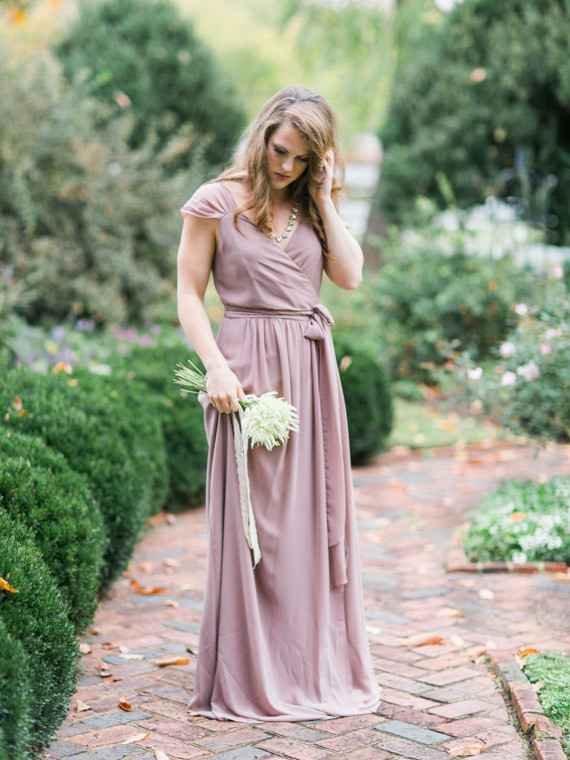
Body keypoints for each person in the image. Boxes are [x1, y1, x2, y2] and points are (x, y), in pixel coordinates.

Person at [177, 84, 381, 722]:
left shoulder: (314, 206)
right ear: (263, 134)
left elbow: (349, 276)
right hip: (243, 373)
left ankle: (309, 668)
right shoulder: (217, 200)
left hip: (310, 375)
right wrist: (215, 368)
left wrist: (323, 195)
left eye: (302, 157)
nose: (286, 165)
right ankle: (249, 672)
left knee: (307, 527)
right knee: (252, 526)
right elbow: (187, 292)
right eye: (280, 150)